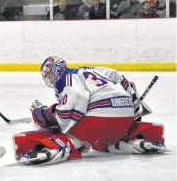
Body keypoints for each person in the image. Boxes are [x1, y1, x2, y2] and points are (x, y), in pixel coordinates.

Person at [13, 56, 166, 165]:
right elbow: (120, 78)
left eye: (51, 75)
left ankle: (56, 149)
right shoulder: (91, 71)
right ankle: (138, 143)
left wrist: (48, 114)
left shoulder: (66, 78)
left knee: (72, 135)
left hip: (101, 116)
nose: (52, 80)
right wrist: (134, 105)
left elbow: (76, 98)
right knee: (104, 144)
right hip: (124, 115)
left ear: (58, 71)